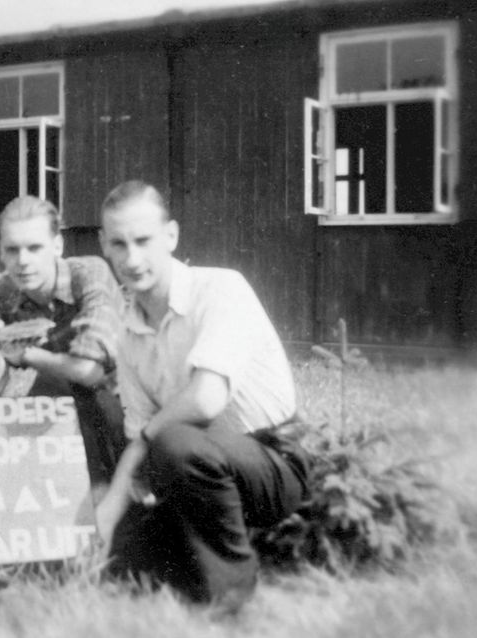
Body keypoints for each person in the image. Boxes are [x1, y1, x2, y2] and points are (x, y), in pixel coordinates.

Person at [94, 180, 310, 609]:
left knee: (175, 443)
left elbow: (205, 400)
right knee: (124, 554)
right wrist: (118, 502)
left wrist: (137, 455)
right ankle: (191, 570)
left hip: (272, 462)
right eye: (119, 244)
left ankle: (231, 603)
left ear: (171, 235)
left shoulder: (222, 289)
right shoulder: (127, 331)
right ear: (104, 245)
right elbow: (142, 435)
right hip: (196, 467)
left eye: (144, 240)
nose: (132, 259)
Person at [0, 196, 125, 486]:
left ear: (57, 246)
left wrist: (25, 354)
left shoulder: (88, 274)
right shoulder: (6, 289)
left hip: (121, 404)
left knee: (94, 398)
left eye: (35, 248)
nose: (23, 261)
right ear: (0, 251)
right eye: (12, 250)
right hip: (58, 405)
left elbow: (90, 371)